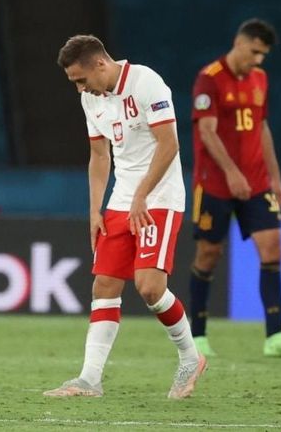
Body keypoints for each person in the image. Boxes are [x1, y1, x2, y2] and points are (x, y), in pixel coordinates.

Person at [43, 35, 205, 399]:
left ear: (100, 64)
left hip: (159, 197)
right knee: (104, 285)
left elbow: (169, 144)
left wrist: (142, 194)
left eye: (81, 79)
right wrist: (94, 210)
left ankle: (190, 357)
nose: (79, 88)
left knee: (149, 287)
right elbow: (100, 156)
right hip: (121, 199)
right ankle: (89, 379)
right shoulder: (91, 99)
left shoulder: (146, 83)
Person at [188, 19, 281, 358]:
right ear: (239, 42)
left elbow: (262, 128)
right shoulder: (210, 78)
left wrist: (275, 177)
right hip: (215, 183)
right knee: (209, 254)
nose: (258, 60)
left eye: (263, 55)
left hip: (256, 182)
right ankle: (197, 336)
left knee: (272, 249)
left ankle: (275, 336)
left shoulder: (260, 79)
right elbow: (207, 132)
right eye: (255, 52)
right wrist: (231, 173)